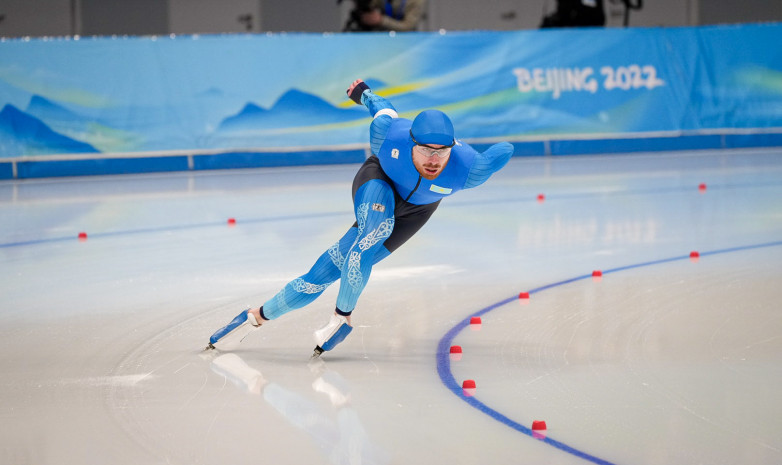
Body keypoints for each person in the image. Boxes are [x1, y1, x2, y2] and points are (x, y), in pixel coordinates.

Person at [206, 79, 514, 357]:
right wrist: (362, 93)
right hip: (379, 180)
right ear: (411, 142)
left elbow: (502, 151)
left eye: (441, 153)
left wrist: (501, 150)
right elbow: (383, 109)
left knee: (323, 274)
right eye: (424, 150)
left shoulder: (469, 169)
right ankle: (343, 318)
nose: (433, 161)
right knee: (372, 235)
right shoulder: (390, 137)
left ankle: (253, 318)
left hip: (417, 211)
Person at [347, 0, 427, 32]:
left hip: (406, 40)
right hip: (380, 38)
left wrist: (381, 20)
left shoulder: (416, 1)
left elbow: (408, 26)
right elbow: (370, 5)